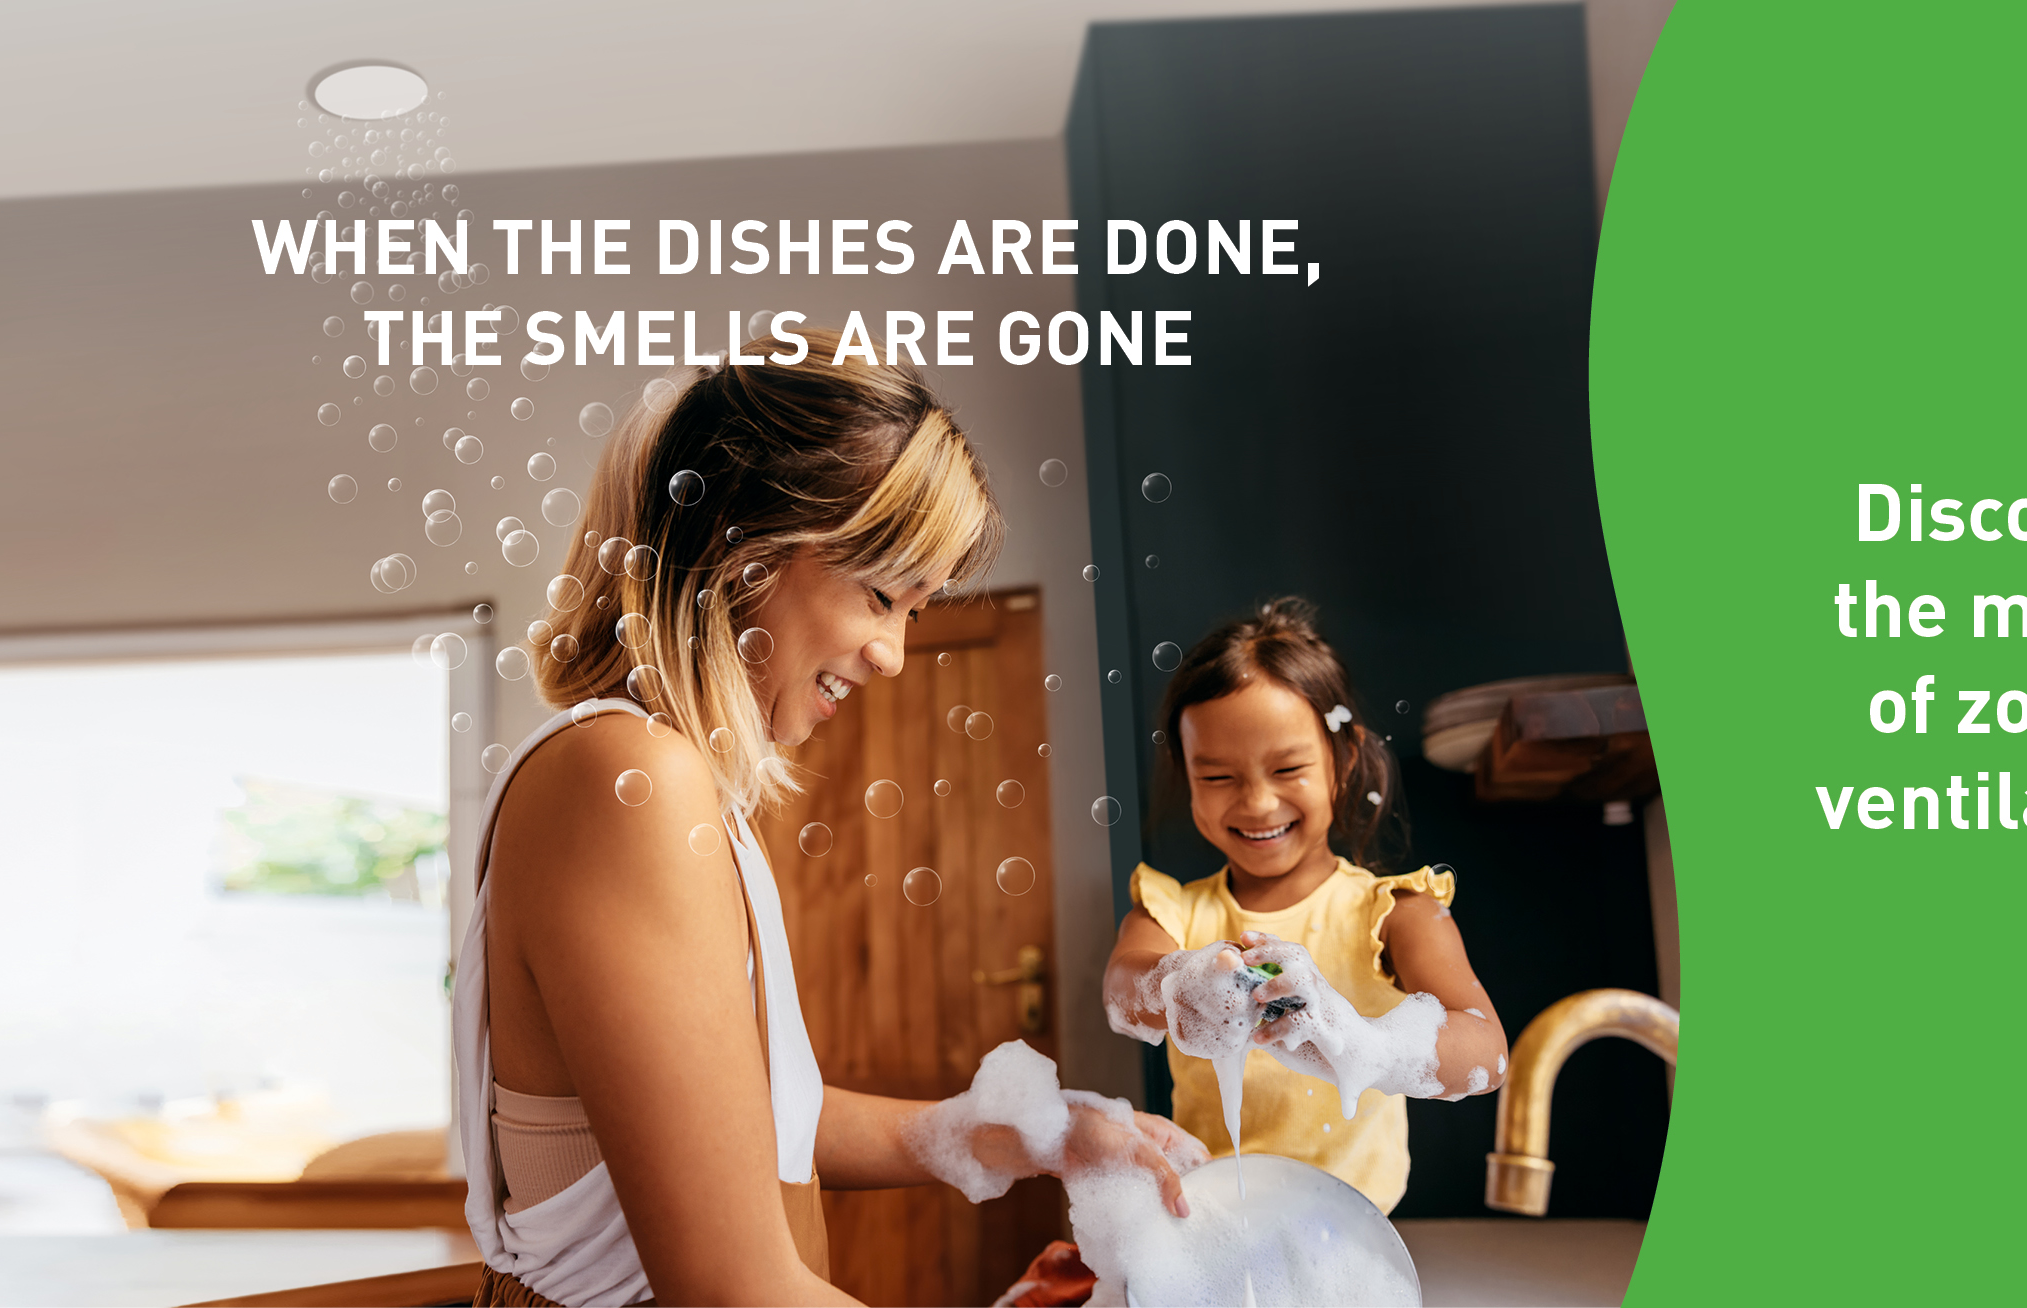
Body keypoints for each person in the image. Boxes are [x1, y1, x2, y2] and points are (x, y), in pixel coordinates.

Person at [457, 331, 1204, 1307]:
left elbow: (743, 1123)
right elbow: (735, 1288)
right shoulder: (625, 779)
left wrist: (1024, 1131)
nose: (893, 655)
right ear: (741, 545)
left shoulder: (662, 778)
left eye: (918, 615)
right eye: (882, 595)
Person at [1100, 598, 1509, 1214]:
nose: (1259, 804)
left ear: (1343, 762)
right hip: (1212, 1222)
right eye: (1217, 777)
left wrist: (1361, 1045)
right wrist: (1174, 982)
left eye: (1288, 767)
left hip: (1350, 1233)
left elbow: (1486, 1052)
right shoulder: (1171, 913)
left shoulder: (1394, 913)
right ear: (1186, 777)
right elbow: (1121, 990)